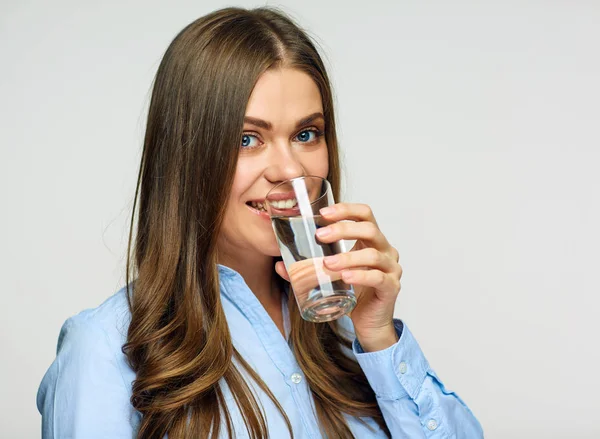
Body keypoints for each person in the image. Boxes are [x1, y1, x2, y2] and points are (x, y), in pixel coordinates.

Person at [36, 6, 483, 439]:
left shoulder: (351, 333)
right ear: (187, 158)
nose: (289, 171)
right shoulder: (103, 351)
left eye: (306, 134)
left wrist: (381, 339)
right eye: (248, 139)